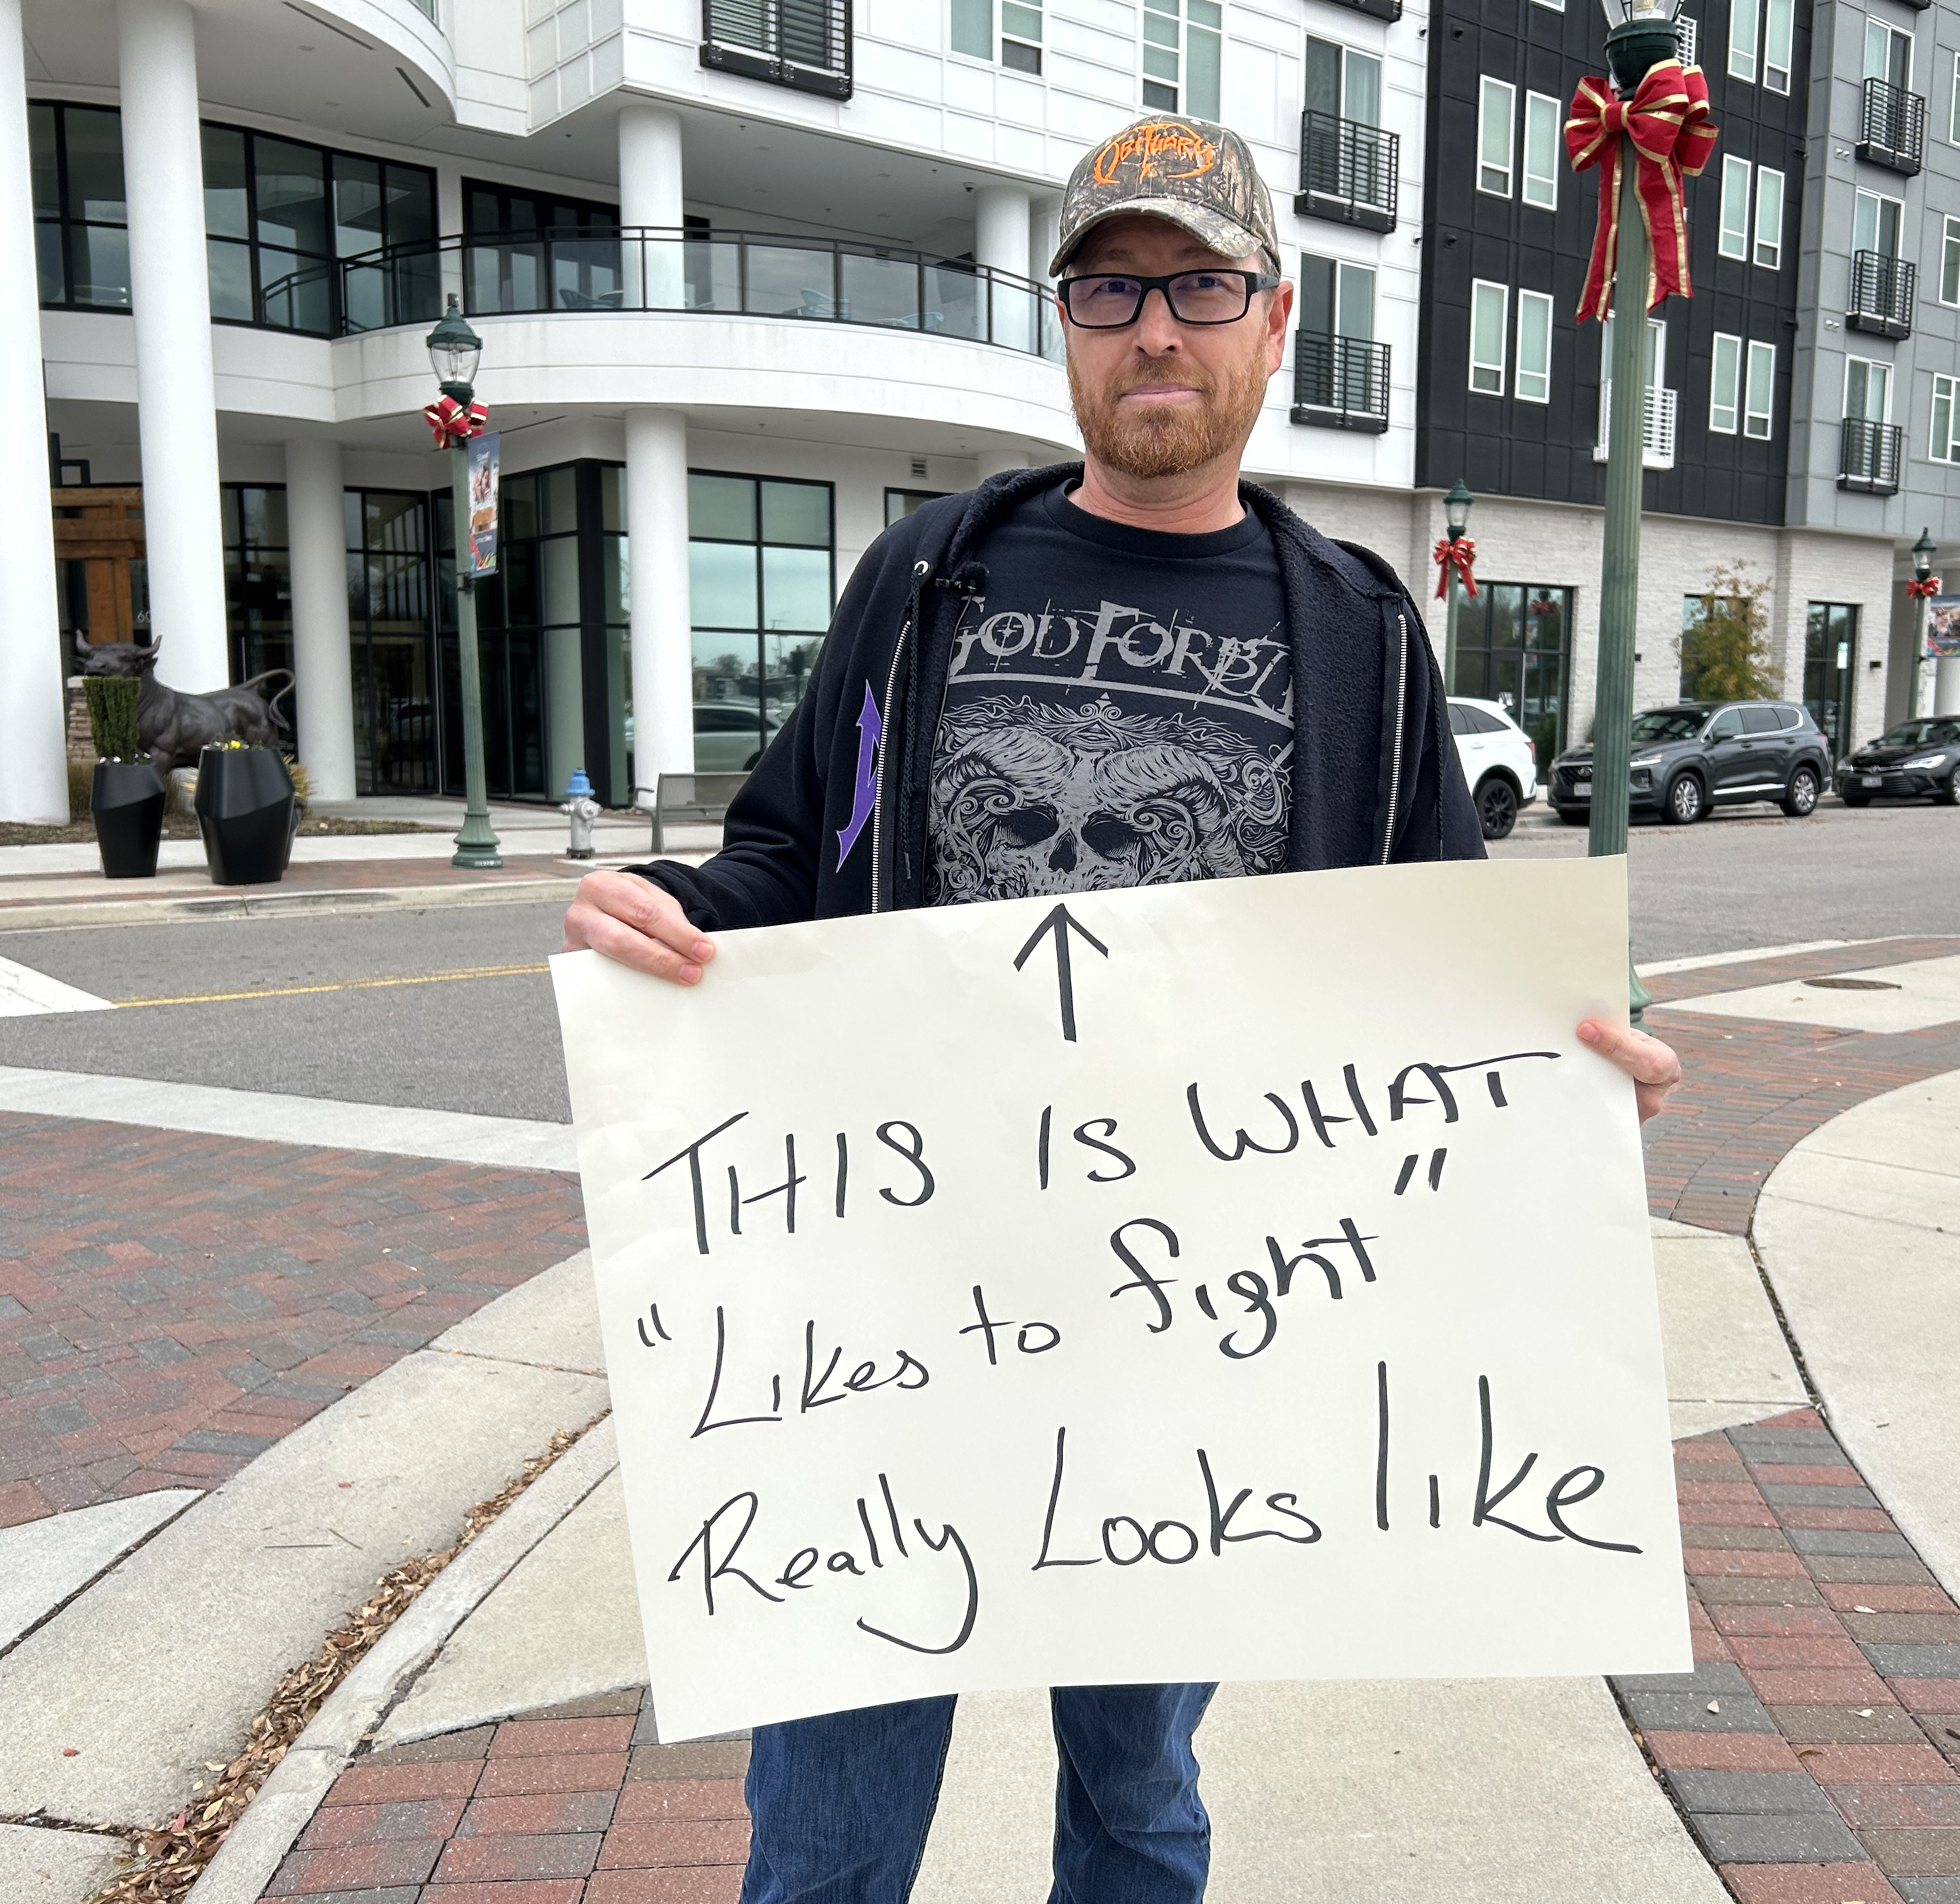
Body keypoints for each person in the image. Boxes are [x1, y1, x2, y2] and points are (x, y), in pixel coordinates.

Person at [564, 111, 1685, 1904]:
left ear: (1274, 317)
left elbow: (1441, 966)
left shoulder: (1357, 626)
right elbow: (787, 847)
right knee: (828, 1839)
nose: (1155, 328)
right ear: (1067, 323)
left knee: (1141, 1804)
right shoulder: (926, 578)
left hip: (1195, 1333)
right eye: (1109, 289)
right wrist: (676, 911)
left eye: (1199, 286)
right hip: (892, 1320)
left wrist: (1570, 1057)